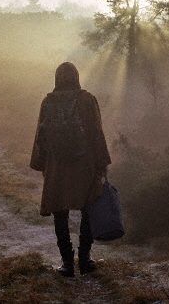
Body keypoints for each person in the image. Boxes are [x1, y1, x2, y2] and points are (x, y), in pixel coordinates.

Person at [30, 62, 111, 277]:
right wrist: (102, 163)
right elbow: (96, 133)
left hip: (57, 165)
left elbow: (40, 137)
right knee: (88, 209)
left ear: (57, 78)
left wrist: (42, 164)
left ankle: (67, 263)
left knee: (60, 212)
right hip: (85, 164)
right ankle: (84, 260)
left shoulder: (48, 102)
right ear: (76, 77)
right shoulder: (87, 100)